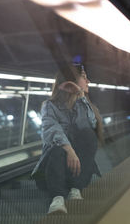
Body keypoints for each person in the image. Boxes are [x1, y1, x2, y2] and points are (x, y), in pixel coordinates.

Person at [31, 64, 104, 214]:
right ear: (72, 81)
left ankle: (75, 189)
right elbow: (52, 130)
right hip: (52, 170)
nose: (88, 81)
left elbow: (91, 125)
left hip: (77, 171)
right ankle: (57, 198)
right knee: (57, 147)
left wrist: (81, 98)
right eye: (84, 77)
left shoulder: (83, 105)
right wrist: (69, 150)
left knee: (88, 135)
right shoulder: (49, 106)